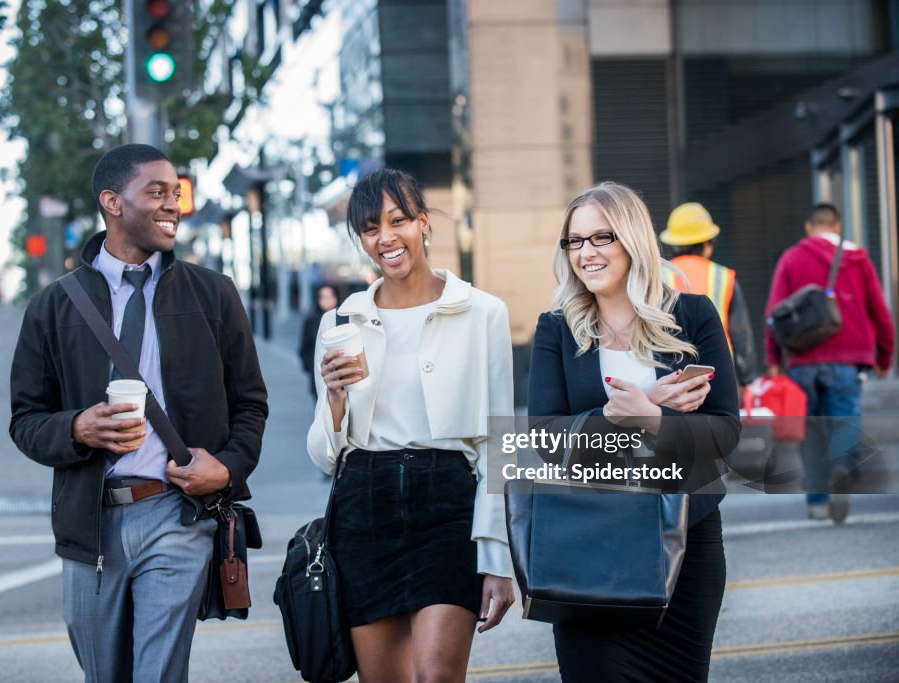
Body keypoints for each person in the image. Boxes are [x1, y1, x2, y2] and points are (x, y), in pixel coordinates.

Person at [9, 144, 268, 683]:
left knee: (160, 675)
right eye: (156, 192)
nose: (172, 204)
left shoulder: (214, 295)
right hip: (89, 524)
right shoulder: (53, 307)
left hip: (177, 516)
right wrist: (76, 428)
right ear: (112, 202)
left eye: (176, 194)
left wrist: (227, 467)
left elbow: (250, 403)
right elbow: (25, 420)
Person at [307, 168, 515, 682]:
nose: (386, 238)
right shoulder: (341, 323)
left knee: (437, 677)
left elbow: (499, 441)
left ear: (423, 223)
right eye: (371, 229)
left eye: (398, 220)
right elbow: (324, 454)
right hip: (364, 507)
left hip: (448, 505)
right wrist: (334, 397)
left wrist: (498, 556)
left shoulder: (482, 312)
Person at [529, 182, 740, 682]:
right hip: (588, 541)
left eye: (601, 238)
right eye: (574, 241)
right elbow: (546, 440)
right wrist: (621, 416)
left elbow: (724, 434)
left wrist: (653, 418)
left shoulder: (694, 316)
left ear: (633, 239)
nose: (586, 253)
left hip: (683, 539)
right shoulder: (556, 329)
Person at [764, 202, 894, 523]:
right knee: (844, 419)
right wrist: (885, 355)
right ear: (836, 228)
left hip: (802, 359)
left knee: (811, 431)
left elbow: (774, 313)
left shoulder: (792, 258)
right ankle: (843, 468)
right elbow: (879, 309)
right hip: (849, 360)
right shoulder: (858, 259)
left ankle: (818, 502)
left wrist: (773, 360)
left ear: (809, 227)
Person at [660, 202, 758, 387]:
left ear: (673, 243)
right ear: (708, 243)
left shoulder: (658, 276)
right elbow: (741, 334)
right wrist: (747, 379)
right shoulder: (724, 277)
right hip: (719, 370)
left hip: (669, 371)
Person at [299, 284, 340, 400]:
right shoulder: (311, 321)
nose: (326, 301)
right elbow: (304, 347)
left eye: (329, 296)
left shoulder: (344, 317)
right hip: (318, 374)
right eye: (323, 297)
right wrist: (311, 368)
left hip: (342, 376)